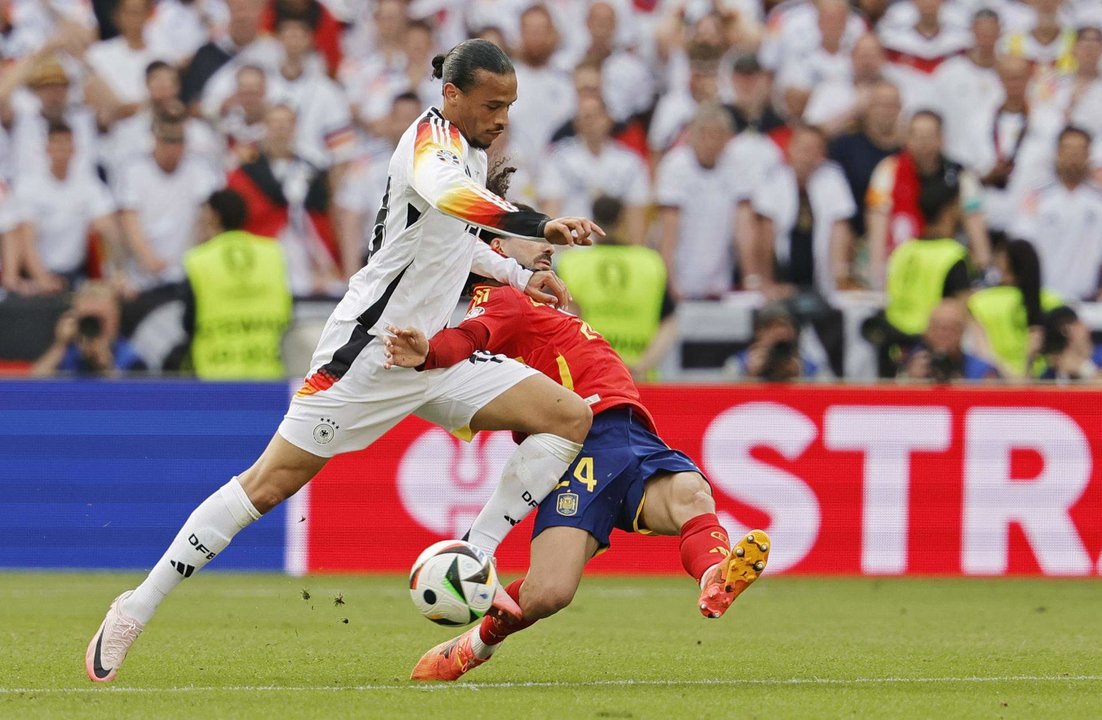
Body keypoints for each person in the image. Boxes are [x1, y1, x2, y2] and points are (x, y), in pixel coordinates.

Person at [85, 39, 603, 684]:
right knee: (268, 484)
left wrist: (517, 278)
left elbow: (450, 241)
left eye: (510, 107)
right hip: (367, 353)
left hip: (432, 352)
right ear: (452, 95)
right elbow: (456, 203)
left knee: (567, 416)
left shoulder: (468, 150)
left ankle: (474, 556)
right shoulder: (428, 146)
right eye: (492, 105)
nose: (503, 119)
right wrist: (540, 224)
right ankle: (137, 604)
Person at [381, 213, 769, 683]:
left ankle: (713, 577)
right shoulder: (504, 297)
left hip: (627, 429)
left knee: (691, 494)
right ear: (495, 251)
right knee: (549, 592)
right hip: (584, 442)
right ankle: (471, 646)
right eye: (530, 239)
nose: (546, 247)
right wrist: (429, 354)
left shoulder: (536, 296)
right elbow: (472, 336)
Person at [556, 195, 677, 380]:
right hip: (640, 378)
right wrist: (641, 365)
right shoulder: (650, 263)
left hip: (590, 376)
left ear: (593, 222)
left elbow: (564, 321)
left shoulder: (570, 263)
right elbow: (668, 324)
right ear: (624, 220)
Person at [182, 189, 292, 379]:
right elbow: (289, 308)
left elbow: (187, 321)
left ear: (212, 217)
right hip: (269, 372)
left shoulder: (198, 259)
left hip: (216, 373)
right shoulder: (273, 253)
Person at [874, 174, 973, 377]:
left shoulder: (903, 251)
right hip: (933, 346)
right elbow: (963, 309)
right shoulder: (952, 254)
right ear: (949, 211)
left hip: (894, 346)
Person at [1010, 126, 1102, 302]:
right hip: (1043, 297)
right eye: (1068, 149)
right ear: (1057, 153)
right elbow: (1022, 244)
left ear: (1089, 155)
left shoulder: (1098, 200)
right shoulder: (1036, 197)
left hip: (1088, 300)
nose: (1073, 155)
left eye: (1080, 150)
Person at [968, 238, 1063, 379]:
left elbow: (982, 351)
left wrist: (1011, 377)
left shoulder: (980, 302)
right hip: (1044, 382)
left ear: (1004, 266)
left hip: (999, 380)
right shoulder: (1053, 302)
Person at [31, 281, 146, 376]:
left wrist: (105, 365)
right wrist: (60, 345)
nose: (93, 327)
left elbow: (132, 399)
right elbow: (32, 388)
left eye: (100, 320)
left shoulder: (130, 359)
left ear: (115, 320)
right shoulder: (66, 353)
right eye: (87, 320)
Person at [896, 298, 999, 382]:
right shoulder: (913, 361)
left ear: (962, 332)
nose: (944, 334)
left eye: (952, 328)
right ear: (926, 331)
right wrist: (911, 381)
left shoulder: (981, 370)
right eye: (938, 327)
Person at [728, 301, 821, 381]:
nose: (779, 333)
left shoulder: (808, 365)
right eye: (771, 327)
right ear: (758, 332)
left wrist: (800, 376)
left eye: (784, 326)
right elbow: (725, 394)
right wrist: (750, 375)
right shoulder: (739, 363)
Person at [1036, 305, 1102, 383]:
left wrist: (1084, 369)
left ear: (1082, 325)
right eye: (1062, 331)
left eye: (1071, 326)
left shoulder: (1099, 356)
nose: (1069, 333)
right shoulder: (1052, 371)